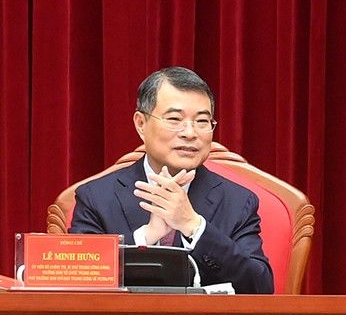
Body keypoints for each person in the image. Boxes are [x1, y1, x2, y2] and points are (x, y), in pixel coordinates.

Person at [69, 66, 274, 293]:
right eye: (175, 119)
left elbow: (260, 287)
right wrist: (145, 238)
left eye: (202, 121)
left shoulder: (238, 201)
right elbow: (76, 283)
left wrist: (194, 226)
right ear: (141, 123)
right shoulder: (97, 198)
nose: (190, 133)